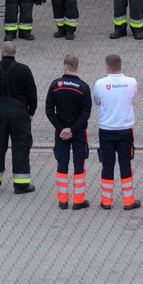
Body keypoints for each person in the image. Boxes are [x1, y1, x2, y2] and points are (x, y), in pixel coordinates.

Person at [0, 41, 39, 194]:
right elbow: (32, 94)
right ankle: (21, 185)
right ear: (16, 52)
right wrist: (31, 111)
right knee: (20, 147)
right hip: (20, 114)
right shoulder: (24, 70)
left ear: (1, 52)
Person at [94, 54, 140, 211]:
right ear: (120, 65)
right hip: (126, 130)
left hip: (106, 129)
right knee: (125, 163)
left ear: (107, 67)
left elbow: (97, 101)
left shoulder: (100, 83)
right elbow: (132, 97)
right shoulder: (131, 82)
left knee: (107, 164)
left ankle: (106, 201)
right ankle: (129, 201)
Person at [46, 54, 92, 209]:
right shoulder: (84, 87)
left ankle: (63, 200)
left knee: (62, 163)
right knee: (79, 164)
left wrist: (61, 128)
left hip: (61, 133)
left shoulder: (55, 85)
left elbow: (49, 110)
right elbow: (86, 113)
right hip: (78, 132)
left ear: (65, 66)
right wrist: (72, 129)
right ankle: (79, 201)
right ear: (76, 67)